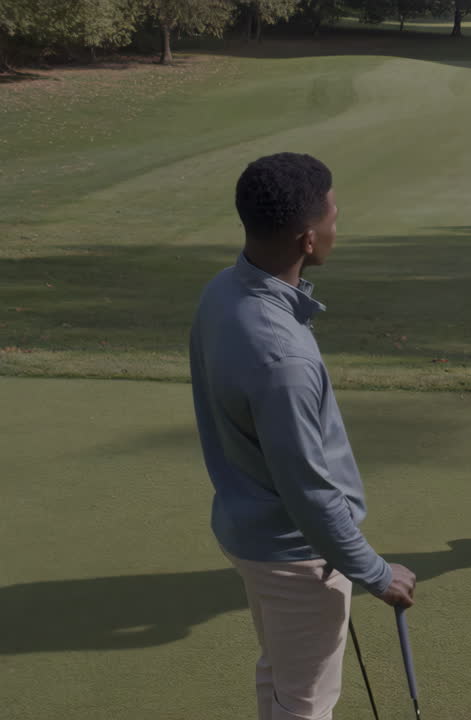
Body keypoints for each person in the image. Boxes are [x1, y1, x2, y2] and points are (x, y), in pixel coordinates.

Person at [189, 152, 417, 720]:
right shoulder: (282, 356)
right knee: (308, 704)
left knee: (282, 679)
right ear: (307, 239)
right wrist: (373, 571)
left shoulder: (222, 291)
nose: (339, 225)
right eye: (334, 216)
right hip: (298, 558)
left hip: (252, 536)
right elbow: (308, 490)